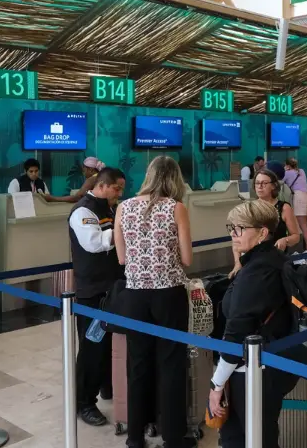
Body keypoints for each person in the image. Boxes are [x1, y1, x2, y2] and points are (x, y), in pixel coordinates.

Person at [113, 156, 193, 448]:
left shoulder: (124, 207)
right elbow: (186, 259)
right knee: (171, 363)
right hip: (168, 294)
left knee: (138, 365)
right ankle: (173, 436)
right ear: (174, 178)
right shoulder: (176, 208)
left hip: (134, 295)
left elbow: (121, 259)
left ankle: (135, 436)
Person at [208, 201, 299, 448]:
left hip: (253, 370)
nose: (233, 235)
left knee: (253, 436)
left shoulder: (257, 273)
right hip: (267, 364)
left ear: (263, 232)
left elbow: (237, 332)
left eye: (240, 228)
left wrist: (216, 385)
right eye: (231, 228)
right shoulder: (269, 260)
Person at [69, 167, 126, 427]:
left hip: (113, 288)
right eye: (117, 188)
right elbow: (93, 243)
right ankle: (84, 402)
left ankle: (107, 384)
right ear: (103, 185)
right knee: (92, 347)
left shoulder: (111, 210)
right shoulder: (83, 211)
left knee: (110, 342)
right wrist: (126, 228)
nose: (120, 194)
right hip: (92, 293)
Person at [229, 169, 301, 277]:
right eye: (257, 183)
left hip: (275, 262)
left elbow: (296, 236)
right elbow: (237, 239)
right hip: (253, 262)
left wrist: (285, 240)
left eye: (264, 183)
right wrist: (237, 263)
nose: (260, 186)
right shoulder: (250, 208)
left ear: (273, 186)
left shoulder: (284, 208)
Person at [283, 158, 307, 253]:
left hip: (299, 197)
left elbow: (280, 181)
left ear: (287, 165)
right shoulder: (301, 171)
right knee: (306, 226)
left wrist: (285, 171)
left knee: (303, 227)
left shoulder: (287, 173)